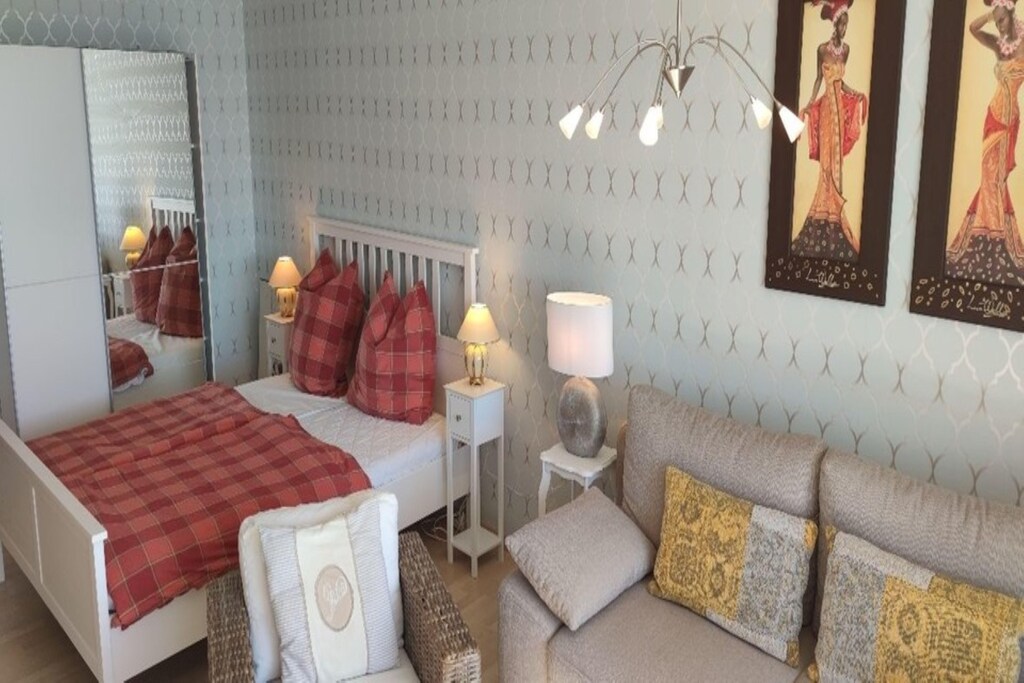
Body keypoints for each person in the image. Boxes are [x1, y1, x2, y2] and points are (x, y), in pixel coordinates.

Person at [947, 0, 1024, 287]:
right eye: (997, 20)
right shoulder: (997, 44)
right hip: (993, 117)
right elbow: (972, 27)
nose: (999, 26)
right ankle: (990, 238)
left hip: (1010, 120)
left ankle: (995, 238)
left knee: (997, 179)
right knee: (989, 177)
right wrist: (991, 15)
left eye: (1002, 20)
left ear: (1012, 15)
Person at [791, 0, 869, 263]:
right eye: (842, 24)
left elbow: (840, 82)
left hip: (839, 111)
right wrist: (808, 104)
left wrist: (856, 94)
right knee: (827, 162)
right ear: (835, 23)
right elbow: (818, 79)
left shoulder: (846, 50)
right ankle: (823, 211)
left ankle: (835, 216)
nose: (845, 29)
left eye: (847, 24)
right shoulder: (822, 49)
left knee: (837, 164)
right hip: (826, 111)